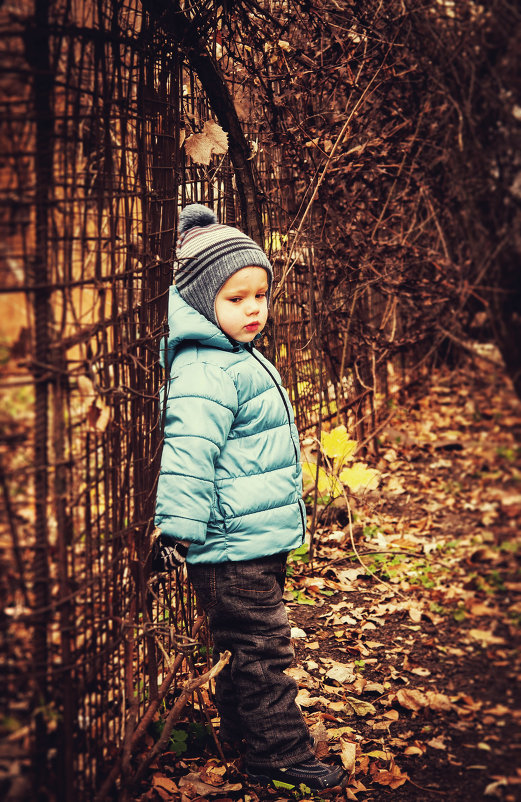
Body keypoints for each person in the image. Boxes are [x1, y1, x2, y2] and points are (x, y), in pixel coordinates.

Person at [153, 204, 347, 791]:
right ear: (202, 300)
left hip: (251, 540)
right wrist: (179, 528)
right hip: (230, 546)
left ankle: (245, 737)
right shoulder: (204, 367)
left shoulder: (233, 355)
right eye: (236, 299)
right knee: (262, 652)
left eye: (260, 294)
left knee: (246, 648)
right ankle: (281, 758)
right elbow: (188, 448)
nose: (254, 308)